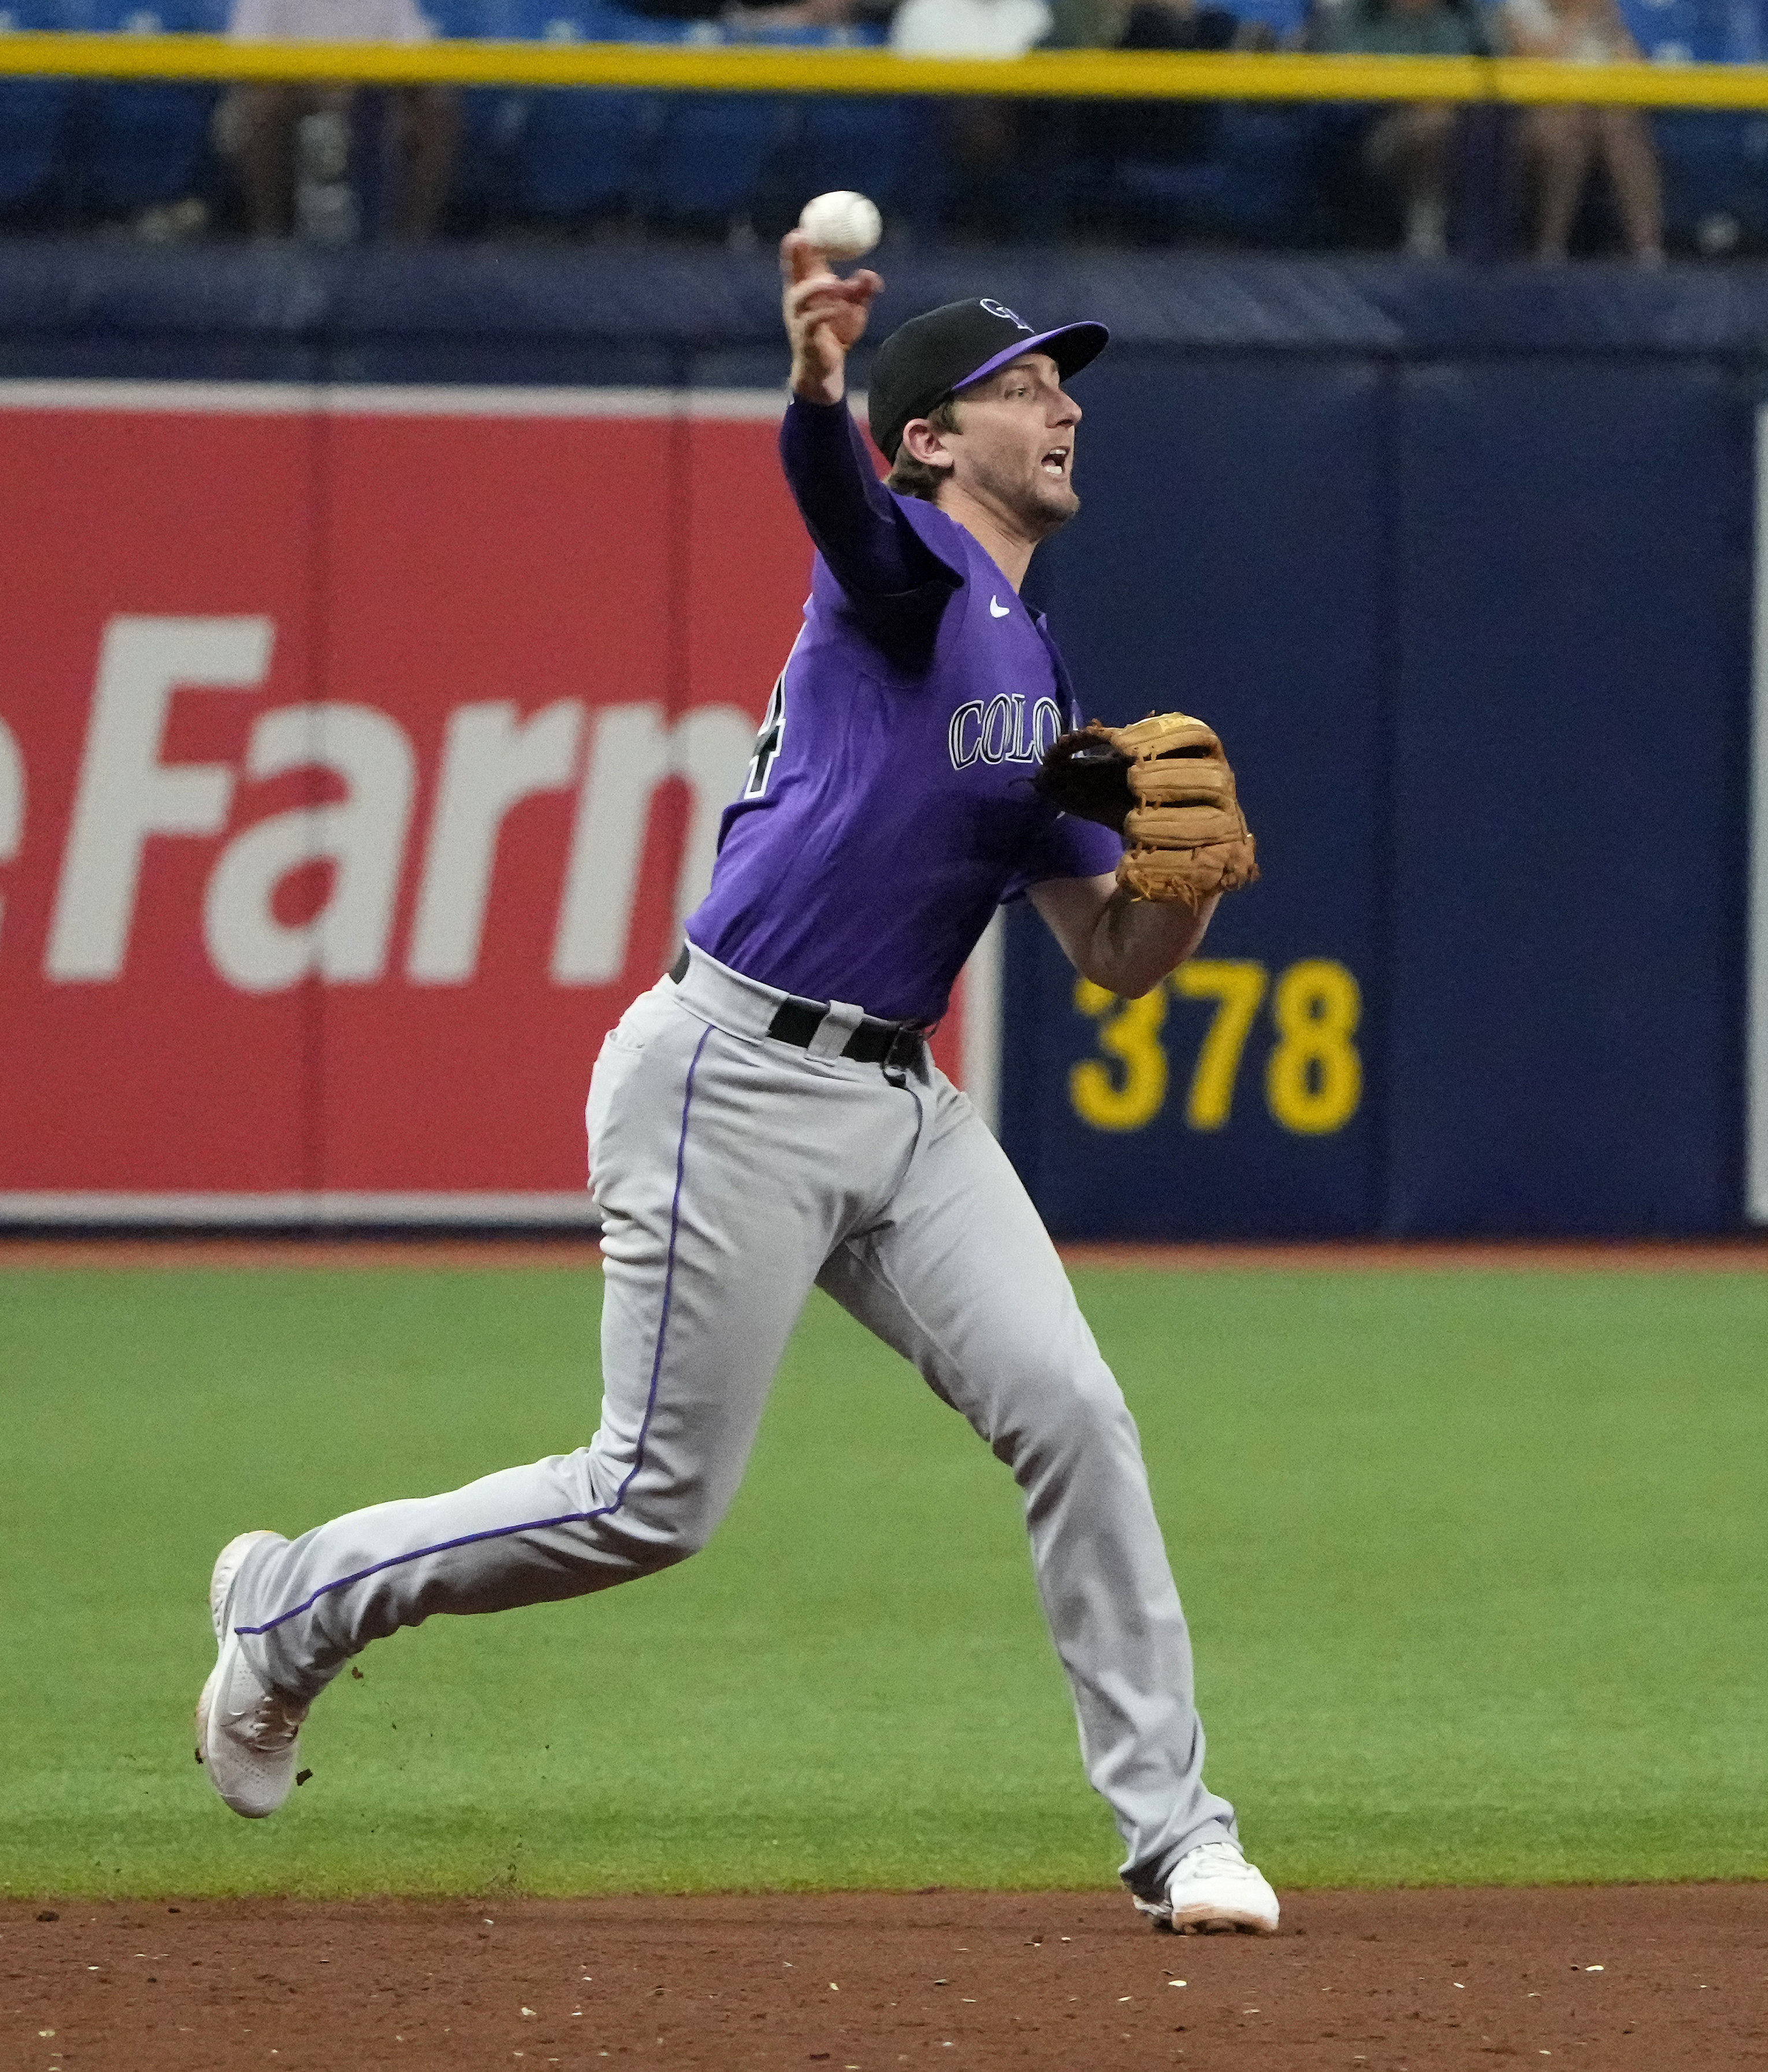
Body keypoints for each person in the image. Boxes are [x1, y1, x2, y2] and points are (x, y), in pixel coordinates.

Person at [190, 240, 1282, 1937]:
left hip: (900, 1106)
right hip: (734, 1075)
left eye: (1064, 380)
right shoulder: (907, 563)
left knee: (1073, 1411)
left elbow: (1112, 959)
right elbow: (826, 502)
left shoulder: (1043, 675)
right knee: (649, 1499)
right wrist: (817, 386)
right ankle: (289, 1605)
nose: (1063, 402)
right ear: (931, 438)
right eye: (1021, 383)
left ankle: (1176, 1828)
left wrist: (1186, 879)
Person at [223, 0, 460, 241]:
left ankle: (408, 248)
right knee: (262, 107)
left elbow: (415, 56)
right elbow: (247, 62)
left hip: (368, 93)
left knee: (435, 109)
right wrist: (318, 87)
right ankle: (272, 241)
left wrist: (352, 87)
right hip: (292, 91)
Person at [1319, 0, 1490, 257]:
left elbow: (1484, 78)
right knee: (1429, 124)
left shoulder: (1459, 19)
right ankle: (1424, 234)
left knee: (1440, 122)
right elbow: (1340, 82)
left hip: (1463, 132)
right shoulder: (1359, 17)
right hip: (1371, 131)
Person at [1501, 0, 1668, 261]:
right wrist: (1577, 17)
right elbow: (1534, 65)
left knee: (1622, 128)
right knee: (1566, 131)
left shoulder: (1605, 13)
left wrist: (1613, 30)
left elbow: (1639, 72)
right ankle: (1550, 247)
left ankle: (1648, 249)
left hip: (1603, 108)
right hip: (1543, 110)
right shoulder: (1520, 9)